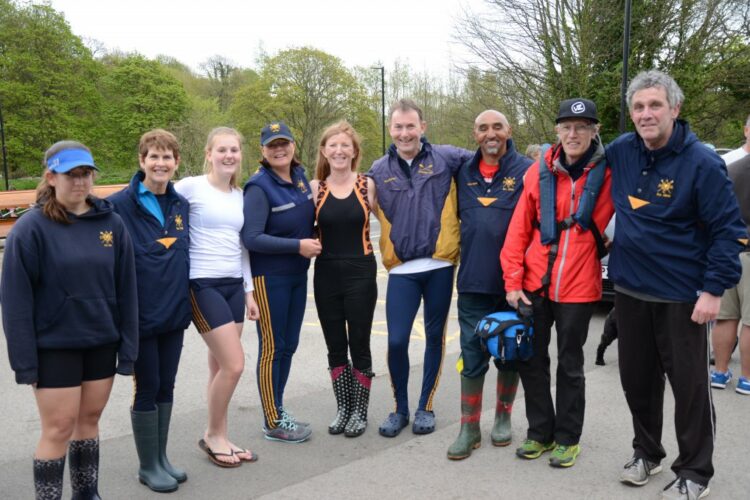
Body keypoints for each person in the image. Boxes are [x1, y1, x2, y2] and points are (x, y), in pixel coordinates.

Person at [607, 70, 745, 499]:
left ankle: (695, 471)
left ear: (675, 109)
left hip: (682, 297)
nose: (646, 114)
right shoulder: (621, 151)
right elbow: (576, 163)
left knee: (690, 390)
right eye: (639, 107)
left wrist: (713, 290)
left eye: (655, 105)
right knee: (637, 381)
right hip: (630, 292)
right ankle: (646, 452)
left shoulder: (703, 162)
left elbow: (729, 230)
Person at [1, 141, 138, 499]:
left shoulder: (112, 224)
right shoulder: (31, 229)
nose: (79, 182)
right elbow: (15, 302)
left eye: (85, 174)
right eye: (70, 174)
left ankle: (86, 493)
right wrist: (24, 363)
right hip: (54, 347)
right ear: (51, 176)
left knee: (88, 422)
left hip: (100, 342)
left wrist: (128, 346)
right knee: (59, 428)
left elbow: (127, 289)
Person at [500, 98, 613, 468]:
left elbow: (639, 213)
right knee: (532, 361)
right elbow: (518, 229)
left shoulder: (610, 172)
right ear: (557, 131)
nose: (573, 133)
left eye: (582, 126)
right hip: (534, 284)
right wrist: (513, 282)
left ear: (595, 130)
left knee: (570, 364)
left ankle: (567, 438)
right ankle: (539, 432)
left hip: (579, 288)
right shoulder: (540, 171)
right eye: (566, 126)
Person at [367, 99, 473, 437]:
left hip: (440, 265)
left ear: (422, 127)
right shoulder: (379, 169)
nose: (404, 133)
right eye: (398, 127)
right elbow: (346, 192)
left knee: (434, 337)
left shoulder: (448, 157)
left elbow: (493, 166)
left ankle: (425, 406)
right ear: (391, 130)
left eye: (410, 126)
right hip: (400, 270)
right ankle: (400, 408)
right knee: (397, 341)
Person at [447, 110, 532, 460]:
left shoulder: (526, 169)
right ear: (475, 133)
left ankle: (503, 418)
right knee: (472, 356)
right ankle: (469, 428)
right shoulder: (462, 170)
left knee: (509, 352)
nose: (491, 133)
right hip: (472, 282)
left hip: (515, 286)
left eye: (497, 126)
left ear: (509, 130)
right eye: (483, 128)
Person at [109, 130, 191, 491]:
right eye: (153, 157)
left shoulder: (179, 204)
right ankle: (148, 466)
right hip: (140, 316)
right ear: (141, 161)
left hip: (173, 312)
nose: (161, 164)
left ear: (176, 163)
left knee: (167, 386)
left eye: (167, 157)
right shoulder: (118, 206)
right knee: (148, 387)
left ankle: (161, 458)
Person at [175, 127, 260, 468]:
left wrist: (249, 290)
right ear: (208, 153)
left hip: (232, 286)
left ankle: (221, 433)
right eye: (222, 150)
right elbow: (151, 199)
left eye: (234, 150)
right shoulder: (190, 186)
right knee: (234, 364)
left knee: (219, 365)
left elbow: (243, 248)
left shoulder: (240, 195)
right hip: (202, 284)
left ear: (240, 155)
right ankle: (212, 435)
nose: (229, 156)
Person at [242, 121, 319, 443]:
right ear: (263, 150)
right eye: (272, 145)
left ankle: (279, 408)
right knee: (272, 348)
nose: (279, 149)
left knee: (289, 345)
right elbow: (252, 237)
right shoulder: (258, 187)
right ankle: (272, 420)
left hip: (296, 276)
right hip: (269, 277)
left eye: (283, 143)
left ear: (293, 146)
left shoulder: (299, 178)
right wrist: (297, 246)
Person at [310, 121, 378, 437]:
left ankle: (360, 412)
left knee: (360, 343)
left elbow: (394, 222)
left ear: (354, 152)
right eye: (333, 146)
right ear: (324, 151)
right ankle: (344, 408)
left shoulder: (368, 185)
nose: (339, 151)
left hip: (360, 272)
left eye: (345, 146)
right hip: (325, 273)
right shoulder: (315, 188)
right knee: (335, 345)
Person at [712, 152, 750, 395]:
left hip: (727, 250)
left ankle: (720, 372)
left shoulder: (730, 168)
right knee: (749, 322)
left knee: (725, 317)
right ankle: (747, 378)